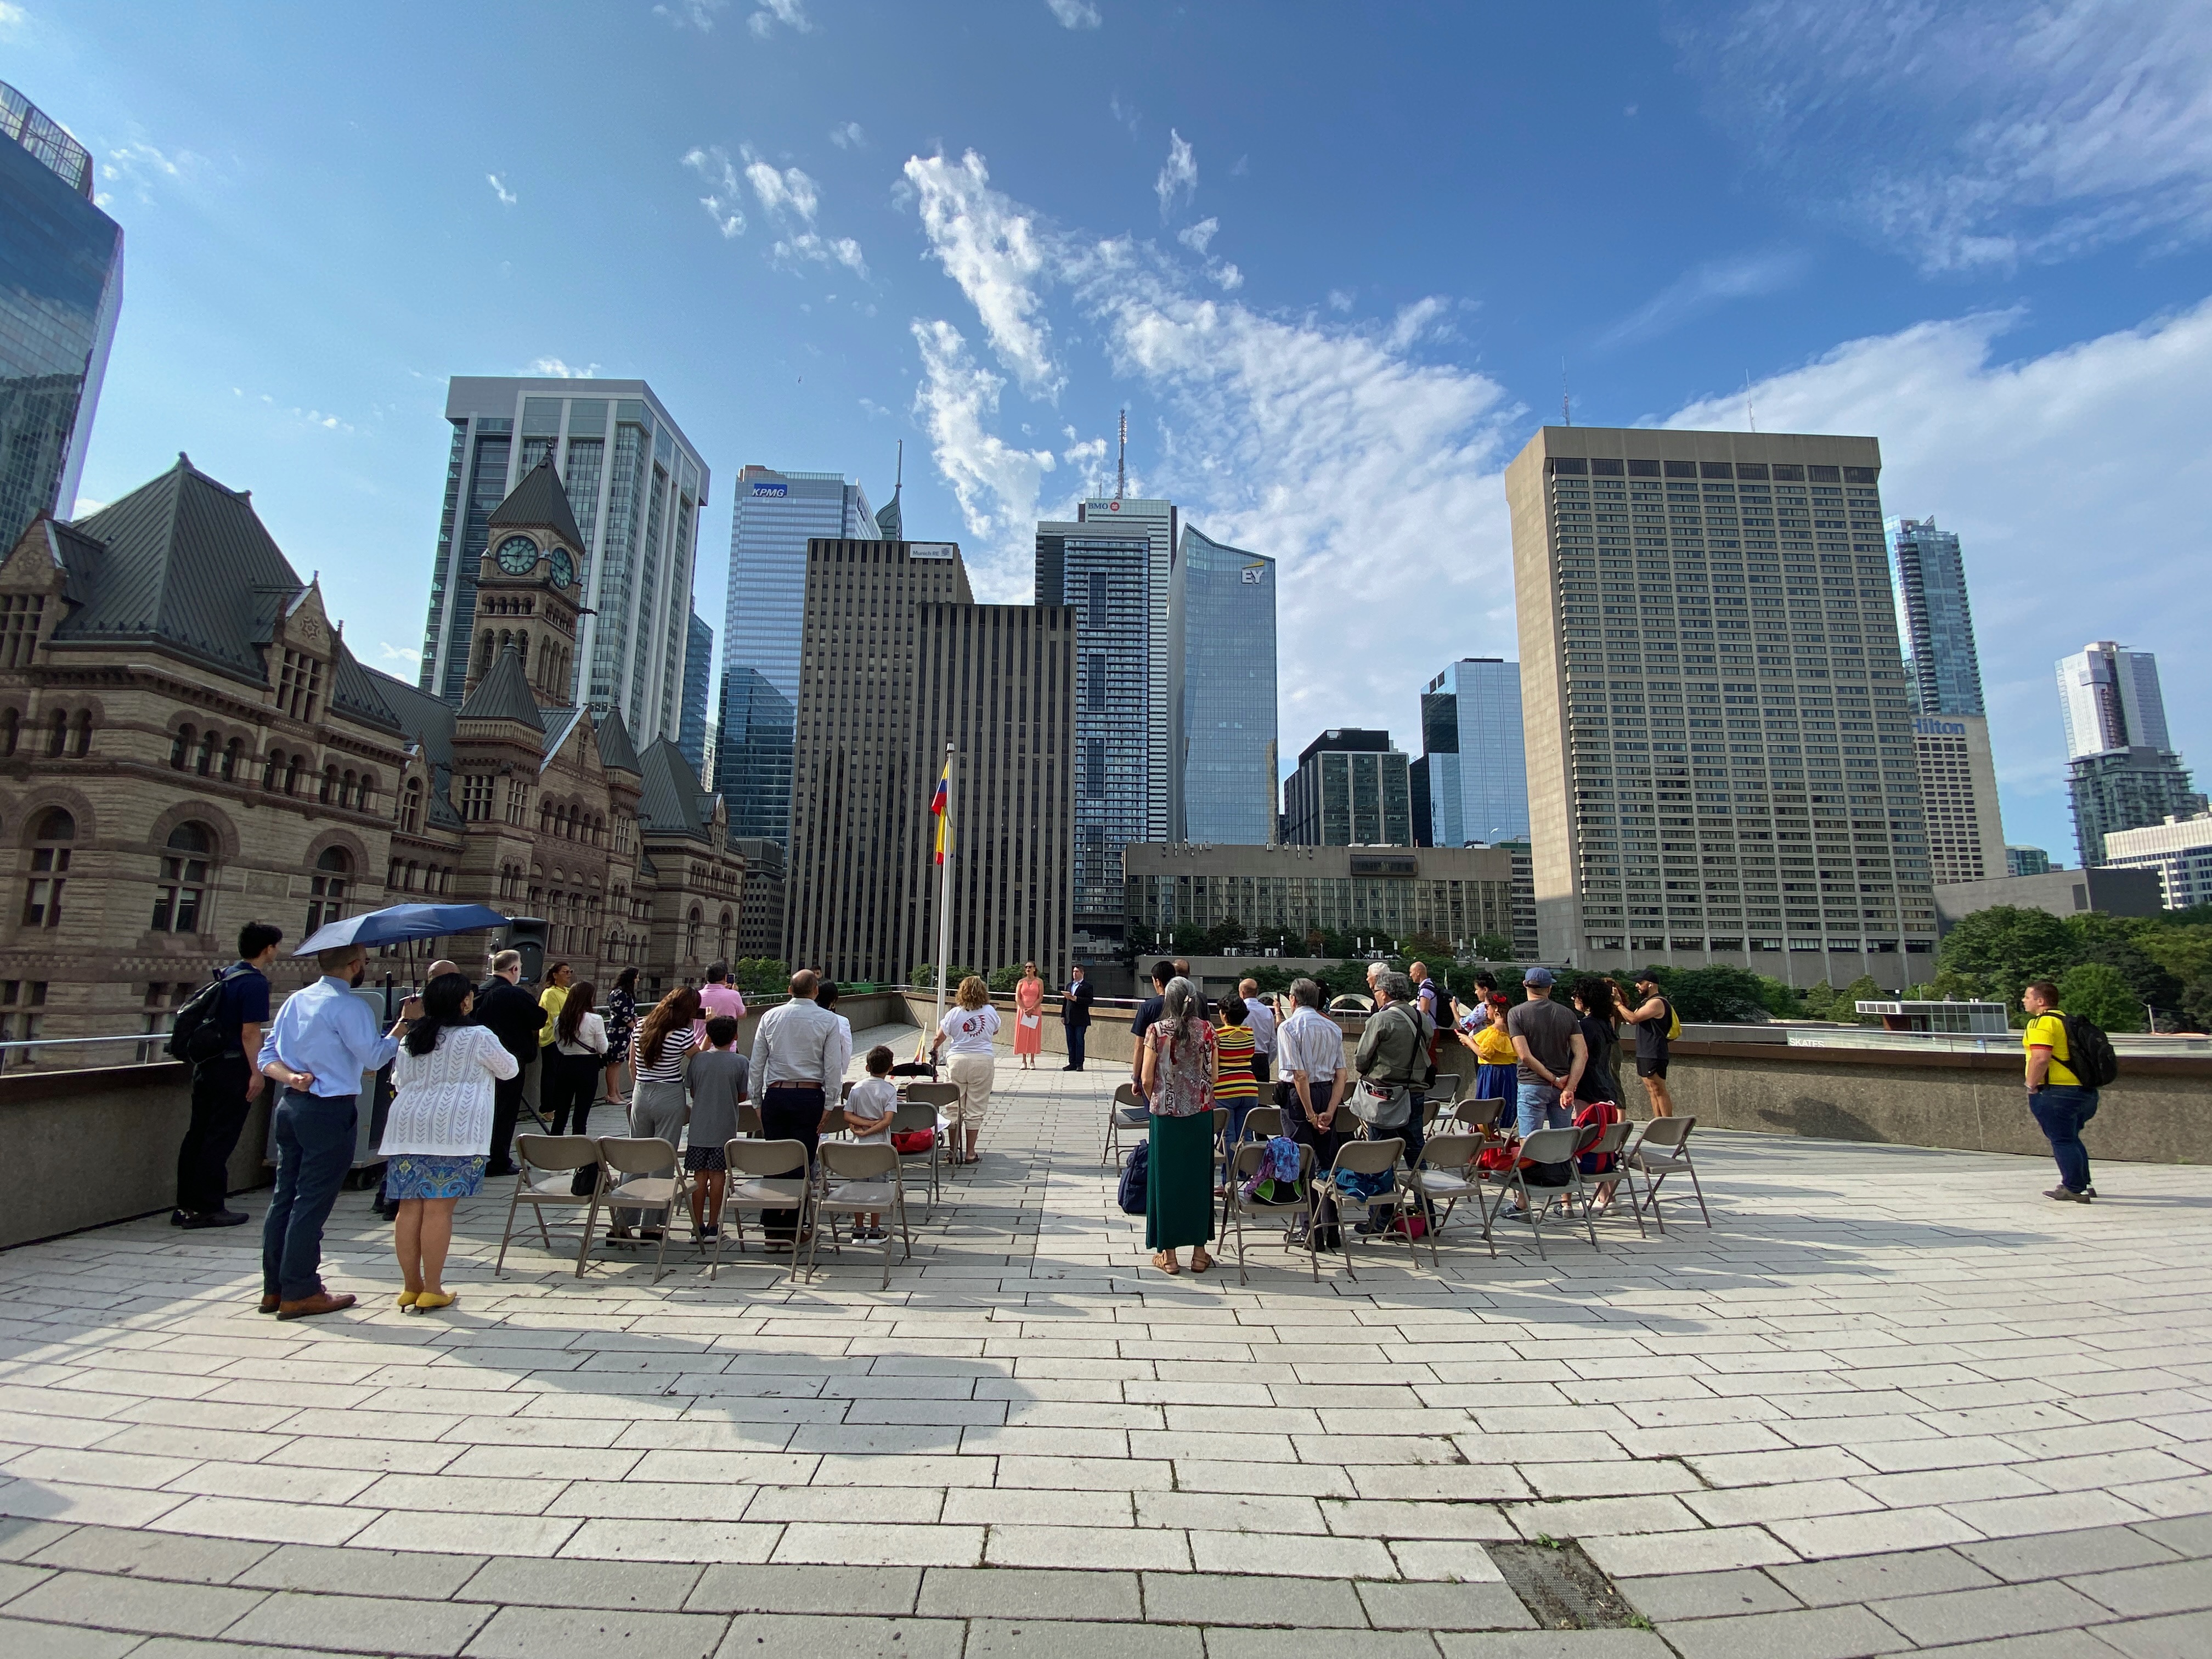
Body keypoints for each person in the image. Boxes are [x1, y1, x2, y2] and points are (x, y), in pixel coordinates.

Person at [255, 944, 412, 1319]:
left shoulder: (297, 1000)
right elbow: (374, 1056)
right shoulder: (350, 1006)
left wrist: (293, 1077)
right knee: (311, 1202)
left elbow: (266, 1057)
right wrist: (403, 1025)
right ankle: (301, 1289)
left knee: (284, 1198)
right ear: (355, 966)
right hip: (330, 1110)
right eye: (367, 962)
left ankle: (274, 1289)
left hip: (292, 1104)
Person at [380, 972, 516, 1312]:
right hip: (455, 1131)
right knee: (438, 1209)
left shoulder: (412, 1037)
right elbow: (510, 1069)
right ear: (465, 1002)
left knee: (408, 1207)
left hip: (407, 1126)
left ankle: (411, 1286)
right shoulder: (478, 1035)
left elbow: (398, 1077)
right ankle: (433, 1287)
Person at [173, 920, 283, 1229]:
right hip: (233, 1068)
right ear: (267, 949)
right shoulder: (255, 984)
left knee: (197, 1135)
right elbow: (250, 1033)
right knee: (220, 1138)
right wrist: (257, 1072)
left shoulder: (228, 975)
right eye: (276, 946)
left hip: (207, 1067)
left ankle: (186, 1206)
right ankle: (209, 1207)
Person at [750, 969, 844, 1244]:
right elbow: (833, 1066)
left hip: (776, 1095)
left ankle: (773, 1228)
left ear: (789, 990)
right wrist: (830, 1103)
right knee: (802, 1161)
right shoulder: (828, 1019)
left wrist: (757, 1100)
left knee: (775, 1160)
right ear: (816, 991)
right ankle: (793, 1227)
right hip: (809, 1096)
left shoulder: (770, 1017)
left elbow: (757, 1063)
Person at [1141, 976, 1217, 1275]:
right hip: (1200, 1114)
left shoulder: (1156, 1031)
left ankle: (1169, 1256)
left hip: (1166, 1114)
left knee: (1166, 1181)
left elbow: (1147, 1077)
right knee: (1199, 1181)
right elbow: (1214, 1076)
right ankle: (1200, 1254)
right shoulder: (1208, 1030)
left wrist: (1157, 1099)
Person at [615, 986, 701, 1240]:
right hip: (669, 1092)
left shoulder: (641, 1026)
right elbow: (698, 1059)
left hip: (642, 1091)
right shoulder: (683, 1034)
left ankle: (622, 1221)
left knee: (636, 1156)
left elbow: (632, 1063)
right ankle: (650, 1224)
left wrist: (637, 1087)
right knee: (663, 1157)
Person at [1276, 977, 1348, 1245]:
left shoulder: (1289, 1027)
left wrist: (1310, 1114)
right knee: (1326, 1163)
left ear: (1293, 1000)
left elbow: (1300, 1075)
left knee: (1303, 1162)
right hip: (1327, 1091)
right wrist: (1329, 1109)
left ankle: (1311, 1230)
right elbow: (1342, 1073)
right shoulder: (1332, 1028)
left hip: (1299, 1099)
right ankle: (1332, 1229)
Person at [2023, 980, 2099, 1202]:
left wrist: (2031, 1084)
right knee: (2072, 1138)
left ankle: (2074, 1188)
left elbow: (2041, 1058)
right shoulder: (2069, 1022)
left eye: (2027, 997)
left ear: (2040, 1001)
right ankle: (2084, 1183)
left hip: (2056, 1092)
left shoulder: (2041, 1024)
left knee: (2062, 1140)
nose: (2024, 1001)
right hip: (2085, 1091)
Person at [472, 951, 542, 1177]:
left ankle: (478, 1157)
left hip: (479, 1062)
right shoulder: (514, 994)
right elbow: (539, 1018)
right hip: (510, 1061)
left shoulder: (478, 992)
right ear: (514, 970)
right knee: (504, 1113)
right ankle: (498, 1160)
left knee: (483, 1112)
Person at [686, 1014, 749, 1241]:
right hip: (724, 1128)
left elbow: (693, 1091)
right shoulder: (740, 1062)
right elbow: (743, 1095)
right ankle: (714, 1225)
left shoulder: (698, 1060)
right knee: (718, 1175)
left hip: (698, 1128)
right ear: (735, 1037)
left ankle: (697, 1226)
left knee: (699, 1176)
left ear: (709, 1036)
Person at [932, 976, 1001, 1165]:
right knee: (976, 1107)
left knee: (954, 1107)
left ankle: (953, 1152)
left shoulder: (954, 1013)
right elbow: (995, 1030)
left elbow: (939, 1038)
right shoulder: (990, 1011)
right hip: (982, 1060)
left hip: (957, 1060)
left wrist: (935, 1051)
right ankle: (970, 1152)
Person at [843, 1045, 899, 1240]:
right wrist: (873, 1128)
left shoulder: (857, 1088)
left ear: (867, 1067)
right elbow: (887, 1120)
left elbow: (848, 1115)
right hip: (880, 1147)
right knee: (877, 1189)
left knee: (858, 1188)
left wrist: (863, 1128)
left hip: (858, 1145)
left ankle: (859, 1229)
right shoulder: (889, 1090)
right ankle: (875, 1229)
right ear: (891, 1068)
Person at [545, 980, 608, 1137]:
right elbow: (603, 1048)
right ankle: (579, 1151)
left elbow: (559, 1045)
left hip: (566, 1064)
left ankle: (553, 1146)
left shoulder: (559, 1020)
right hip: (588, 1066)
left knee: (561, 1114)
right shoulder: (595, 1019)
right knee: (581, 1116)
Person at [1613, 969, 1677, 1119]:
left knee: (1658, 1089)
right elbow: (1630, 1018)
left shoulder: (1657, 1002)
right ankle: (1658, 1121)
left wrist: (1618, 1004)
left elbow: (1634, 1018)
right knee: (1651, 1089)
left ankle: (1668, 1123)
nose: (1637, 986)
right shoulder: (1645, 1002)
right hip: (1645, 1052)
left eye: (1640, 983)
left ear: (1651, 985)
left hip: (1654, 1052)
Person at [1212, 995, 1259, 1181]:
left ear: (1224, 1015)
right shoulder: (1250, 1033)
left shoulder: (1217, 1035)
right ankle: (1246, 1178)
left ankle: (1229, 1181)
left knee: (1228, 1137)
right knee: (1246, 1136)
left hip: (1225, 1090)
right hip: (1249, 1087)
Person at [1455, 996, 1519, 1127]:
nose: (1485, 1011)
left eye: (1487, 1007)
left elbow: (1484, 1053)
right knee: (1506, 1106)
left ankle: (1487, 1139)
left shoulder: (1494, 1032)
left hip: (1492, 1073)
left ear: (1495, 1009)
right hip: (1510, 1073)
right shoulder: (1512, 1030)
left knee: (1487, 1108)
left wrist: (1468, 1041)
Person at [1568, 978, 1624, 1110]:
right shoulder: (1605, 1023)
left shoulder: (1587, 1025)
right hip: (1605, 1085)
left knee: (1584, 1127)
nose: (1573, 999)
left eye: (1576, 996)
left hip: (1587, 1088)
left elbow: (1581, 1056)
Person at [1128, 961, 1172, 1101]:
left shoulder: (1147, 1007)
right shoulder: (1185, 1005)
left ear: (1158, 982)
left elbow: (1139, 1046)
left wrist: (1136, 1078)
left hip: (1153, 1070)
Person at [601, 965, 639, 1108]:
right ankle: (611, 1094)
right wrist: (636, 1027)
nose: (638, 980)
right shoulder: (619, 993)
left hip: (625, 1034)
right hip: (617, 1033)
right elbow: (623, 1015)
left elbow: (630, 1012)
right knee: (614, 1063)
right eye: (636, 977)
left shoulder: (626, 993)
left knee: (619, 1063)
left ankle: (616, 1092)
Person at [816, 975, 855, 1088]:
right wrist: (842, 1070)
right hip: (830, 1075)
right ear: (833, 1001)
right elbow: (847, 1049)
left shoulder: (804, 1018)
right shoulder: (842, 1021)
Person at [1240, 978, 1277, 1085]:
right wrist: (1266, 1061)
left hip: (1243, 1058)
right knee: (1262, 1096)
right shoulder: (1267, 1011)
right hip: (1262, 1059)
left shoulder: (1240, 1011)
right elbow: (1273, 1042)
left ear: (1242, 993)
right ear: (1257, 993)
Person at [1012, 962, 1046, 1069]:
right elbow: (1018, 997)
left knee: (1033, 1034)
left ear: (1034, 969)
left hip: (1035, 1011)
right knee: (1022, 1034)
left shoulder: (1039, 982)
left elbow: (1040, 997)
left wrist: (1032, 1009)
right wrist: (1024, 1009)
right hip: (1023, 1011)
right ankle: (1023, 1060)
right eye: (1026, 967)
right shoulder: (1021, 982)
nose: (1028, 969)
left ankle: (1032, 1060)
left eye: (1030, 967)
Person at [1060, 964, 1094, 1071]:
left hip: (1081, 1018)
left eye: (1077, 972)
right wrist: (1063, 1015)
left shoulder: (1087, 986)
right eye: (1074, 972)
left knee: (1079, 1041)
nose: (1075, 974)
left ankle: (1080, 1063)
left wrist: (1077, 999)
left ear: (1082, 973)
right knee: (1070, 1041)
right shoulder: (1069, 985)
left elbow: (1090, 1000)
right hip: (1069, 1018)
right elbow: (1065, 1002)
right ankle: (1072, 1063)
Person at [537, 961, 573, 1052]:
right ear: (555, 975)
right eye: (565, 972)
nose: (569, 975)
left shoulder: (569, 992)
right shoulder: (550, 993)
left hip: (567, 1038)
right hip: (553, 1039)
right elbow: (555, 1018)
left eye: (570, 972)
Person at [698, 962, 748, 1027]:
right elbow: (742, 1015)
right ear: (725, 977)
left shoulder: (697, 995)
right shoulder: (734, 995)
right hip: (726, 1037)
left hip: (699, 1037)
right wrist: (737, 993)